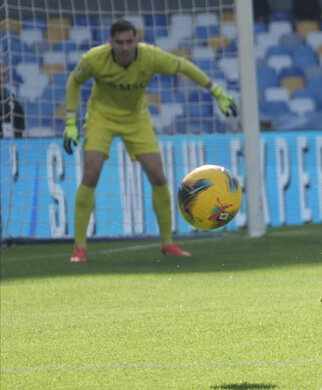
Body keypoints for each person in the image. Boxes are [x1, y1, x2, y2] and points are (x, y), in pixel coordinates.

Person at [63, 18, 237, 263]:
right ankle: (79, 248)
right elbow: (74, 81)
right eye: (119, 43)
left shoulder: (151, 56)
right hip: (101, 117)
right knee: (91, 173)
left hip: (137, 119)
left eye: (129, 42)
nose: (124, 48)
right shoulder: (94, 58)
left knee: (158, 175)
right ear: (111, 43)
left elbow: (184, 67)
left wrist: (217, 92)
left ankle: (167, 243)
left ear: (136, 40)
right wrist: (71, 122)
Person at [1, 60, 25, 138]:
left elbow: (20, 116)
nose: (1, 78)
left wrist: (17, 136)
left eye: (4, 74)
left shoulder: (10, 97)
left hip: (7, 142)